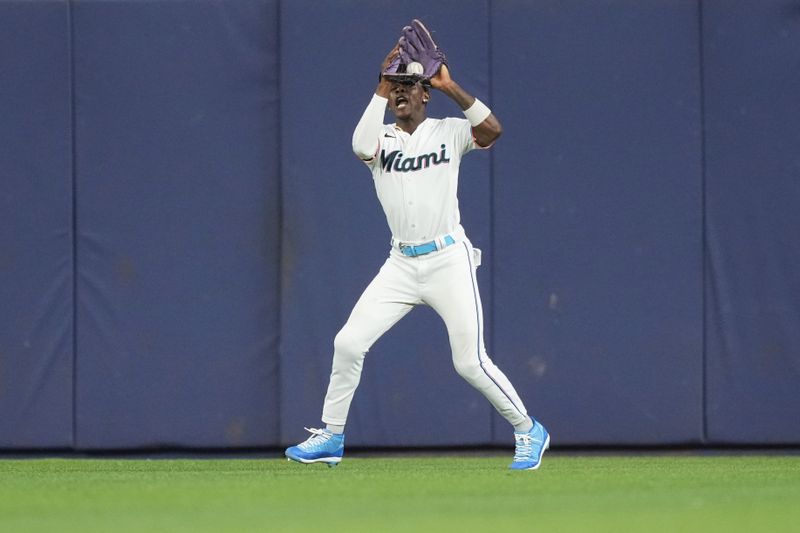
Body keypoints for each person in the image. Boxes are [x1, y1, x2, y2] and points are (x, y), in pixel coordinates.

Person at [285, 43, 550, 470]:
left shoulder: (448, 131)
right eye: (396, 87)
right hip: (402, 264)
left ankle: (528, 430)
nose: (401, 93)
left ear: (425, 93)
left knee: (469, 362)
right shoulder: (381, 138)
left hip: (448, 259)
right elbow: (358, 145)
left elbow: (492, 131)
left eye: (410, 85)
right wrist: (381, 85)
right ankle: (332, 436)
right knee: (348, 343)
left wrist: (449, 85)